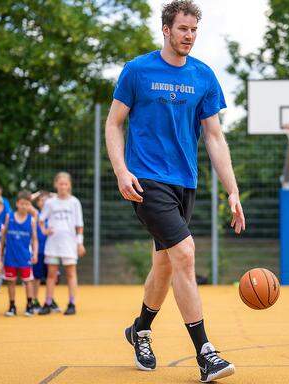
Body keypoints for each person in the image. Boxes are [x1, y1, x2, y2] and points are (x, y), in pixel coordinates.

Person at [105, 1, 245, 381]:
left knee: (165, 264)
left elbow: (215, 137)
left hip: (185, 182)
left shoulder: (203, 75)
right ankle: (205, 353)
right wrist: (121, 171)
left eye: (194, 30)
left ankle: (140, 330)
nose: (189, 36)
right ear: (166, 29)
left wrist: (232, 191)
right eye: (183, 29)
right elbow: (114, 124)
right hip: (146, 179)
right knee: (185, 252)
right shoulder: (137, 71)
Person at [38, 172, 85, 316]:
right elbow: (40, 219)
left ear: (69, 185)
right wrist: (44, 230)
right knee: (51, 274)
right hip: (53, 244)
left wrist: (80, 243)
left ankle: (72, 303)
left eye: (65, 184)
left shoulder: (74, 202)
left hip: (69, 244)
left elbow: (79, 225)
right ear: (56, 185)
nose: (63, 186)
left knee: (71, 274)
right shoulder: (50, 203)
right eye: (60, 183)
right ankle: (48, 302)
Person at [1, 190, 38, 317]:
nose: (24, 206)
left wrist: (35, 253)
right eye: (22, 203)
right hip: (10, 256)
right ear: (17, 203)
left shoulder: (31, 220)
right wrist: (0, 255)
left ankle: (29, 305)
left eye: (27, 204)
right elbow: (3, 236)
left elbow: (34, 239)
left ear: (30, 205)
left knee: (28, 281)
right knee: (11, 281)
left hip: (24, 257)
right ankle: (12, 306)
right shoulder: (9, 217)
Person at [30, 190, 50, 312]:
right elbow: (26, 200)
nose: (44, 202)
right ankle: (34, 300)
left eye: (46, 199)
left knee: (50, 277)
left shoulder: (52, 213)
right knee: (36, 277)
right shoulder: (36, 214)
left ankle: (49, 300)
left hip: (51, 250)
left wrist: (52, 195)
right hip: (38, 251)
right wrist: (38, 193)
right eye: (41, 200)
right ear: (37, 203)